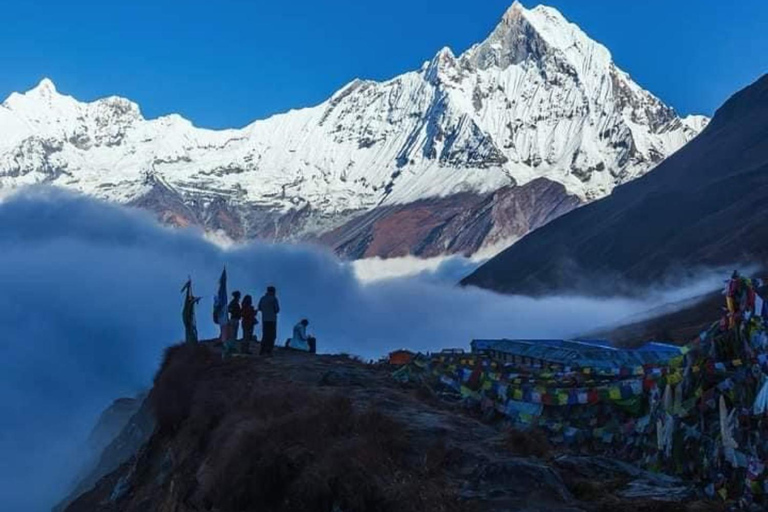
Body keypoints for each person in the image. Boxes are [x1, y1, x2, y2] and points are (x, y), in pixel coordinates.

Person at [258, 286, 280, 356]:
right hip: (272, 319)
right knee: (272, 335)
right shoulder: (274, 299)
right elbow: (277, 309)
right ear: (273, 291)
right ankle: (269, 351)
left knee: (265, 335)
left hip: (264, 319)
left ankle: (262, 350)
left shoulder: (262, 298)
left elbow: (259, 308)